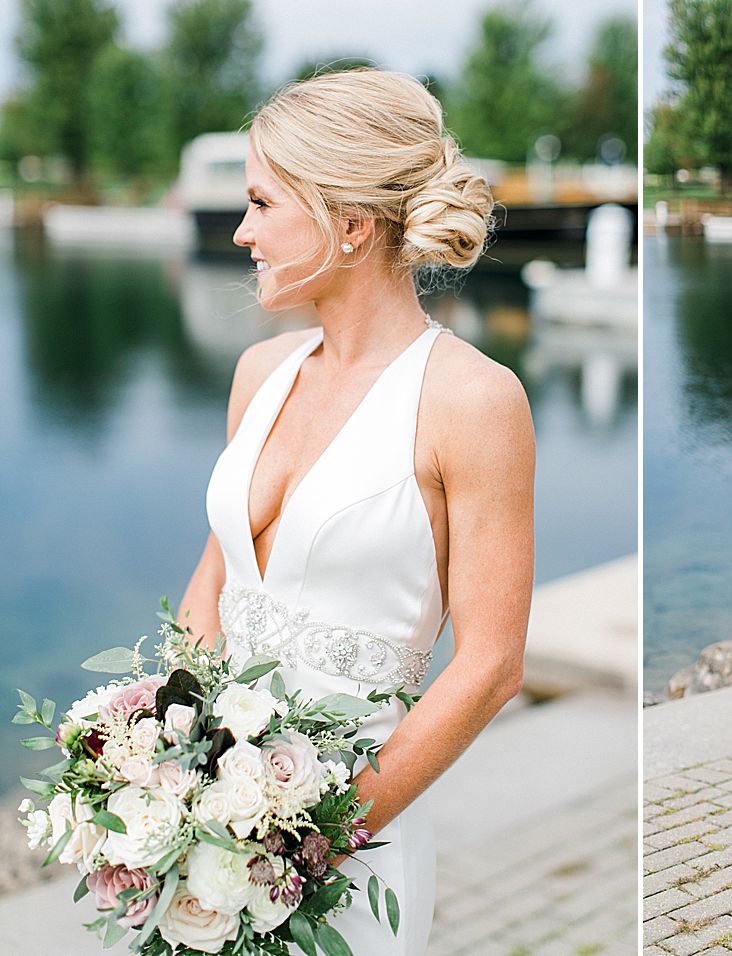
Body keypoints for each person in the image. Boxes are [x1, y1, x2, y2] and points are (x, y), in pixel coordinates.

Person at [177, 68, 534, 952]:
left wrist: (310, 840)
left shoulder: (475, 401)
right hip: (213, 830)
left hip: (353, 842)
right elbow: (213, 585)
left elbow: (489, 666)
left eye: (262, 204)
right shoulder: (259, 374)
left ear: (350, 224)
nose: (241, 231)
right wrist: (174, 772)